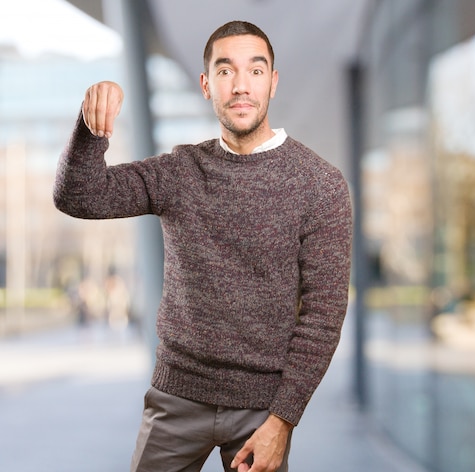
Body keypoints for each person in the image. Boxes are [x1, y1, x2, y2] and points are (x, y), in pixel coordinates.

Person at [53, 20, 352, 472]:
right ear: (206, 84)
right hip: (176, 397)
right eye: (226, 70)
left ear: (272, 82)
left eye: (255, 70)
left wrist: (284, 421)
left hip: (262, 410)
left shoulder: (320, 185)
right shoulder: (180, 171)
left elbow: (323, 316)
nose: (241, 85)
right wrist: (91, 129)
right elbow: (78, 196)